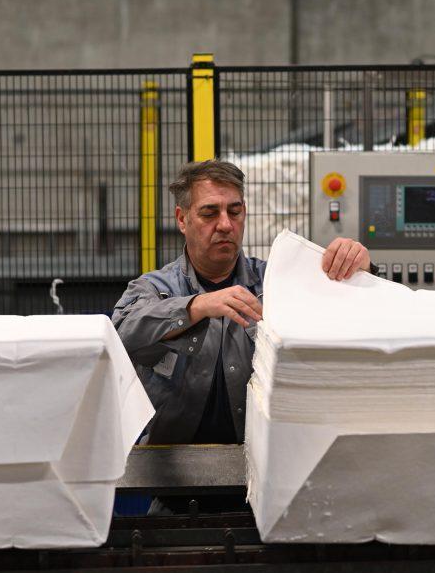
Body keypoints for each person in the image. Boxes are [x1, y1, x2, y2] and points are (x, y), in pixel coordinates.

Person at [112, 159, 371, 445]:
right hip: (172, 471)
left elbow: (347, 321)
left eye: (234, 212)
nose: (225, 224)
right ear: (182, 219)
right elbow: (122, 334)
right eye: (209, 213)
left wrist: (360, 274)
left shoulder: (275, 282)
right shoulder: (156, 287)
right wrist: (196, 307)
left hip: (263, 464)